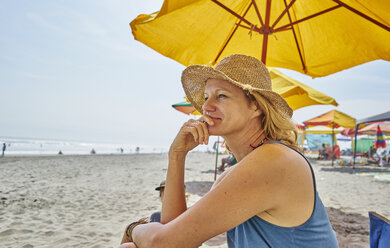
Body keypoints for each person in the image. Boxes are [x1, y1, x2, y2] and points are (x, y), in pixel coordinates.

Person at [120, 54, 338, 248]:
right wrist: (177, 155)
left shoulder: (275, 160)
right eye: (206, 97)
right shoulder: (232, 174)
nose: (206, 107)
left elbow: (166, 244)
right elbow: (173, 230)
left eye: (221, 96)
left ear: (256, 107)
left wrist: (132, 229)